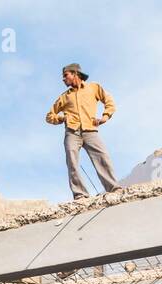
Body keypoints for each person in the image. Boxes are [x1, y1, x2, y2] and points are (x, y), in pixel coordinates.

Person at [45, 63, 118, 200]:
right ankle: (80, 195)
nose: (63, 79)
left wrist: (104, 117)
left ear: (75, 74)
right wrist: (62, 118)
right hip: (72, 133)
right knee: (72, 161)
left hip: (90, 130)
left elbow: (109, 101)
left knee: (103, 157)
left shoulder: (93, 88)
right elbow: (49, 116)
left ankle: (113, 188)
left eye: (66, 75)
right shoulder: (64, 97)